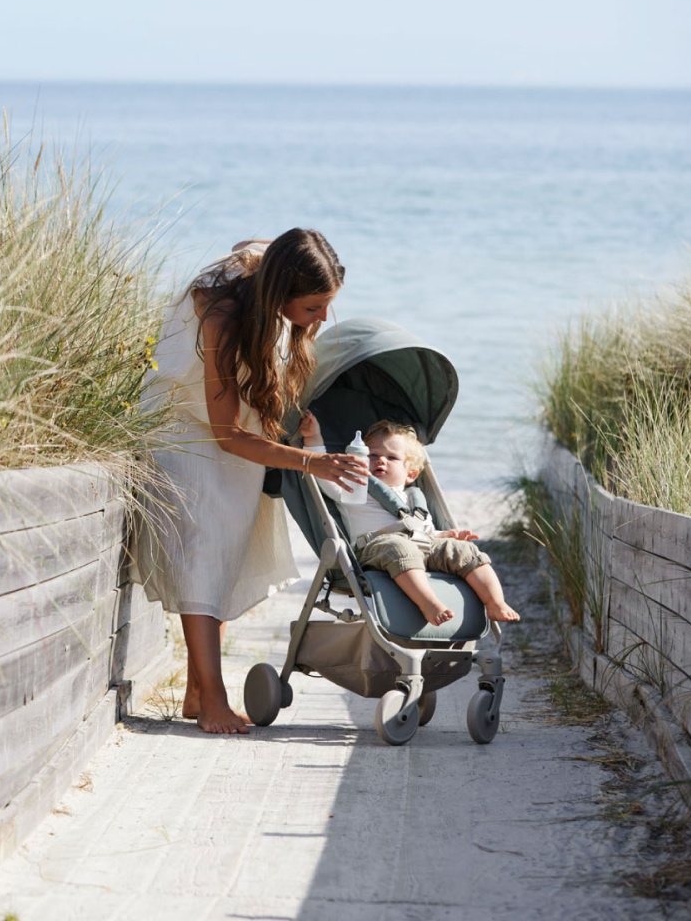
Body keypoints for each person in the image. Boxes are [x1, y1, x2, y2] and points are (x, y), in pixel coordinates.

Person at [133, 230, 369, 735]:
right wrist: (310, 464)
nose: (322, 318)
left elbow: (256, 243)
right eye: (313, 307)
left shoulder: (266, 269)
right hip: (184, 428)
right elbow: (224, 435)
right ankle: (213, 700)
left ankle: (199, 691)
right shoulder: (220, 315)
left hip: (241, 429)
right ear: (279, 293)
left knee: (227, 553)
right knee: (203, 552)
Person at [300, 413, 520, 627]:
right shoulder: (352, 488)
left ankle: (495, 602)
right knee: (399, 546)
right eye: (372, 455)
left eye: (391, 457)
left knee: (465, 551)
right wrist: (313, 439)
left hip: (422, 545)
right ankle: (429, 603)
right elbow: (322, 475)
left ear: (411, 474)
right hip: (378, 549)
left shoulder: (413, 498)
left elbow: (424, 530)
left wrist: (446, 536)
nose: (380, 461)